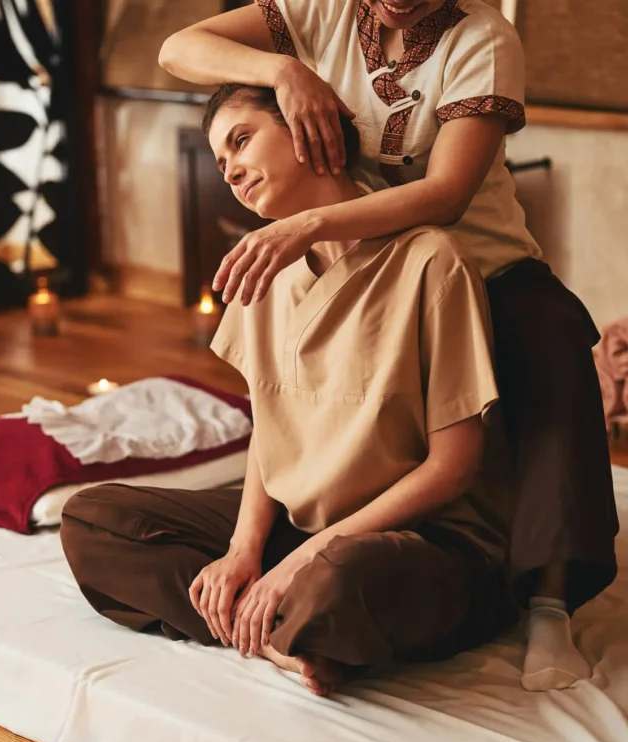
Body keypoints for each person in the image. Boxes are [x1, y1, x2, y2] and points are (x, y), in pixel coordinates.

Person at [158, 0, 618, 692]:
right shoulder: (318, 14)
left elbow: (446, 194)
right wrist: (281, 71)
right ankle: (266, 601)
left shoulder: (483, 40)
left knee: (554, 336)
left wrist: (306, 226)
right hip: (365, 259)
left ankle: (548, 603)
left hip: (478, 263)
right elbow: (178, 49)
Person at [61, 84, 517, 698]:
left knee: (344, 581)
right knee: (94, 519)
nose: (231, 171)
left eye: (242, 141)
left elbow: (454, 468)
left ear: (312, 130)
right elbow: (270, 432)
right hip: (302, 526)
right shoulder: (264, 275)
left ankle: (290, 619)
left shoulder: (430, 259)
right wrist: (244, 552)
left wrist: (300, 563)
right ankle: (285, 636)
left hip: (419, 540)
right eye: (221, 163)